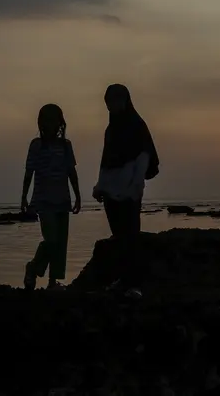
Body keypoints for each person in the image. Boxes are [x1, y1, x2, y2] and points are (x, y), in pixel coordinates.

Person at [92, 84, 159, 299]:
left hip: (130, 188)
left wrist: (136, 185)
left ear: (126, 101)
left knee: (131, 236)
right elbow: (105, 161)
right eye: (110, 102)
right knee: (119, 237)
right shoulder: (110, 130)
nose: (113, 105)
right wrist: (100, 186)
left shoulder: (137, 126)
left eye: (117, 100)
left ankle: (135, 284)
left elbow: (144, 156)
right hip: (111, 190)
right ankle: (122, 280)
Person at [21, 104, 82, 291]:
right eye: (46, 120)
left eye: (54, 120)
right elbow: (29, 171)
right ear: (41, 123)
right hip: (43, 201)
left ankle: (53, 281)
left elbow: (71, 171)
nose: (50, 124)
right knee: (51, 240)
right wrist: (23, 197)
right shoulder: (36, 145)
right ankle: (32, 268)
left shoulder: (65, 146)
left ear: (59, 123)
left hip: (63, 200)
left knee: (61, 243)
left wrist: (78, 196)